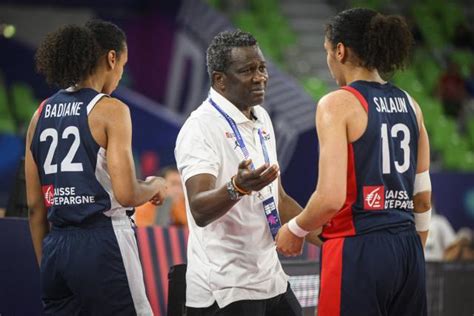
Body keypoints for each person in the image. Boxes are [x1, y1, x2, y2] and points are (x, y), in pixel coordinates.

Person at [275, 8, 432, 316]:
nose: (329, 61)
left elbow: (330, 197)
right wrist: (415, 251)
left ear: (340, 50)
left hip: (358, 249)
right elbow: (423, 198)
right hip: (408, 249)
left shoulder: (337, 103)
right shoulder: (411, 105)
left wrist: (294, 228)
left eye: (327, 52)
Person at [174, 30, 321, 316]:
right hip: (225, 288)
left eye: (262, 67)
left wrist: (335, 242)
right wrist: (236, 188)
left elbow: (278, 200)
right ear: (220, 80)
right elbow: (199, 209)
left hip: (270, 279)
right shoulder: (199, 129)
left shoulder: (261, 116)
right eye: (247, 70)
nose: (260, 77)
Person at [25, 20, 166, 315]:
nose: (120, 75)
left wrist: (49, 265)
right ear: (111, 58)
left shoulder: (40, 114)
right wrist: (156, 184)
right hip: (103, 241)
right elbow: (127, 194)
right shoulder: (111, 110)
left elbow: (35, 207)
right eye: (123, 65)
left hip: (56, 249)